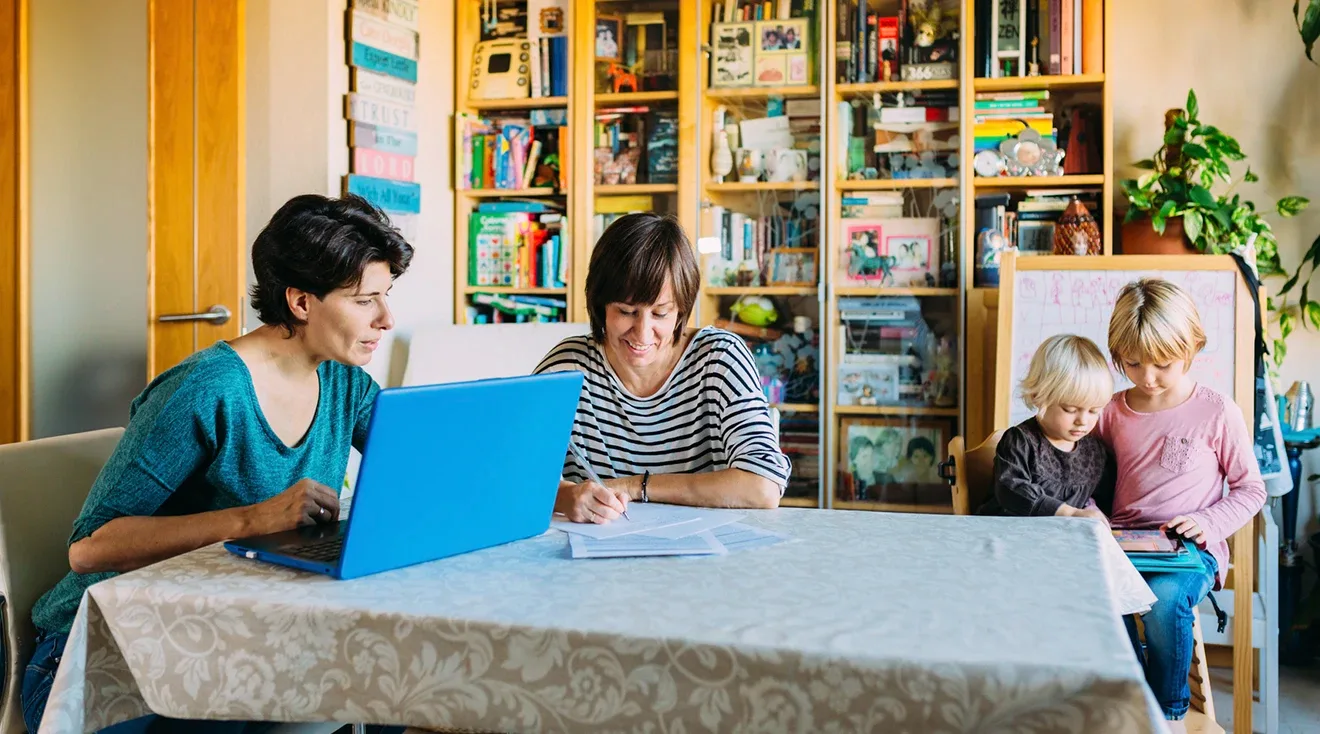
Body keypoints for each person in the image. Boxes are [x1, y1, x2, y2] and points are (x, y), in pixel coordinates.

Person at [21, 194, 414, 734]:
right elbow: (91, 548)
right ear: (301, 302)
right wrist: (254, 520)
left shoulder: (345, 381)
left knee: (392, 685)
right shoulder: (206, 390)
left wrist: (562, 493)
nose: (387, 319)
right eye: (367, 299)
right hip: (103, 661)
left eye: (386, 296)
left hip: (232, 639)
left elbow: (419, 466)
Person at [533, 213, 790, 523]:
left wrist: (637, 486)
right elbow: (511, 474)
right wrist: (567, 497)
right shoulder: (567, 369)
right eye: (626, 312)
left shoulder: (720, 359)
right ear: (599, 306)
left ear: (681, 309)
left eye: (660, 313)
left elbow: (762, 487)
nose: (642, 333)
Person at [1096, 279, 1266, 732]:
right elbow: (1089, 480)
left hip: (1190, 551)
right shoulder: (1111, 412)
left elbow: (1252, 489)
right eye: (1132, 363)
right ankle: (1130, 700)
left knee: (1166, 600)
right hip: (1123, 545)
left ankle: (1167, 713)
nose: (1147, 377)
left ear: (1192, 347)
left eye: (1163, 364)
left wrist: (1206, 521)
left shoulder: (1216, 411)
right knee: (1099, 599)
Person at [979, 334, 1114, 520]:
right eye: (1070, 409)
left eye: (1094, 411)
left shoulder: (1095, 453)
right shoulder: (1021, 441)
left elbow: (1106, 500)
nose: (1082, 420)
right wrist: (1070, 513)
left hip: (1058, 542)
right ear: (1038, 396)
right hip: (1008, 536)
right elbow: (1010, 488)